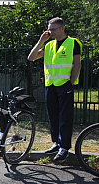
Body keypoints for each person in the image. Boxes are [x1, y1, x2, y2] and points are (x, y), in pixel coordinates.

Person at [27, 17, 82, 162]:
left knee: (65, 117)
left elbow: (77, 65)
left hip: (64, 85)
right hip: (50, 85)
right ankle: (56, 143)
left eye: (53, 29)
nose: (50, 31)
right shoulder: (49, 45)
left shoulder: (73, 43)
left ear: (62, 28)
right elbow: (31, 57)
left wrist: (71, 83)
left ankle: (64, 148)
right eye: (49, 28)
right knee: (53, 116)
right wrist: (41, 41)